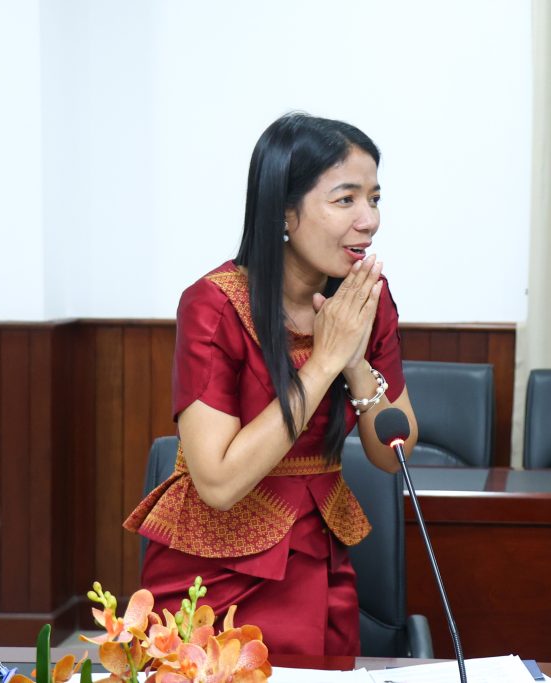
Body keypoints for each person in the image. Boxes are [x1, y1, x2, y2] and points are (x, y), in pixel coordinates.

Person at [124, 112, 418, 656]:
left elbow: (393, 452)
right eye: (346, 199)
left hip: (321, 563)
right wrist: (323, 363)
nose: (369, 220)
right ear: (285, 210)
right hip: (212, 579)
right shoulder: (214, 305)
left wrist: (354, 362)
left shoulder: (366, 300)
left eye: (375, 199)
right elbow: (217, 483)